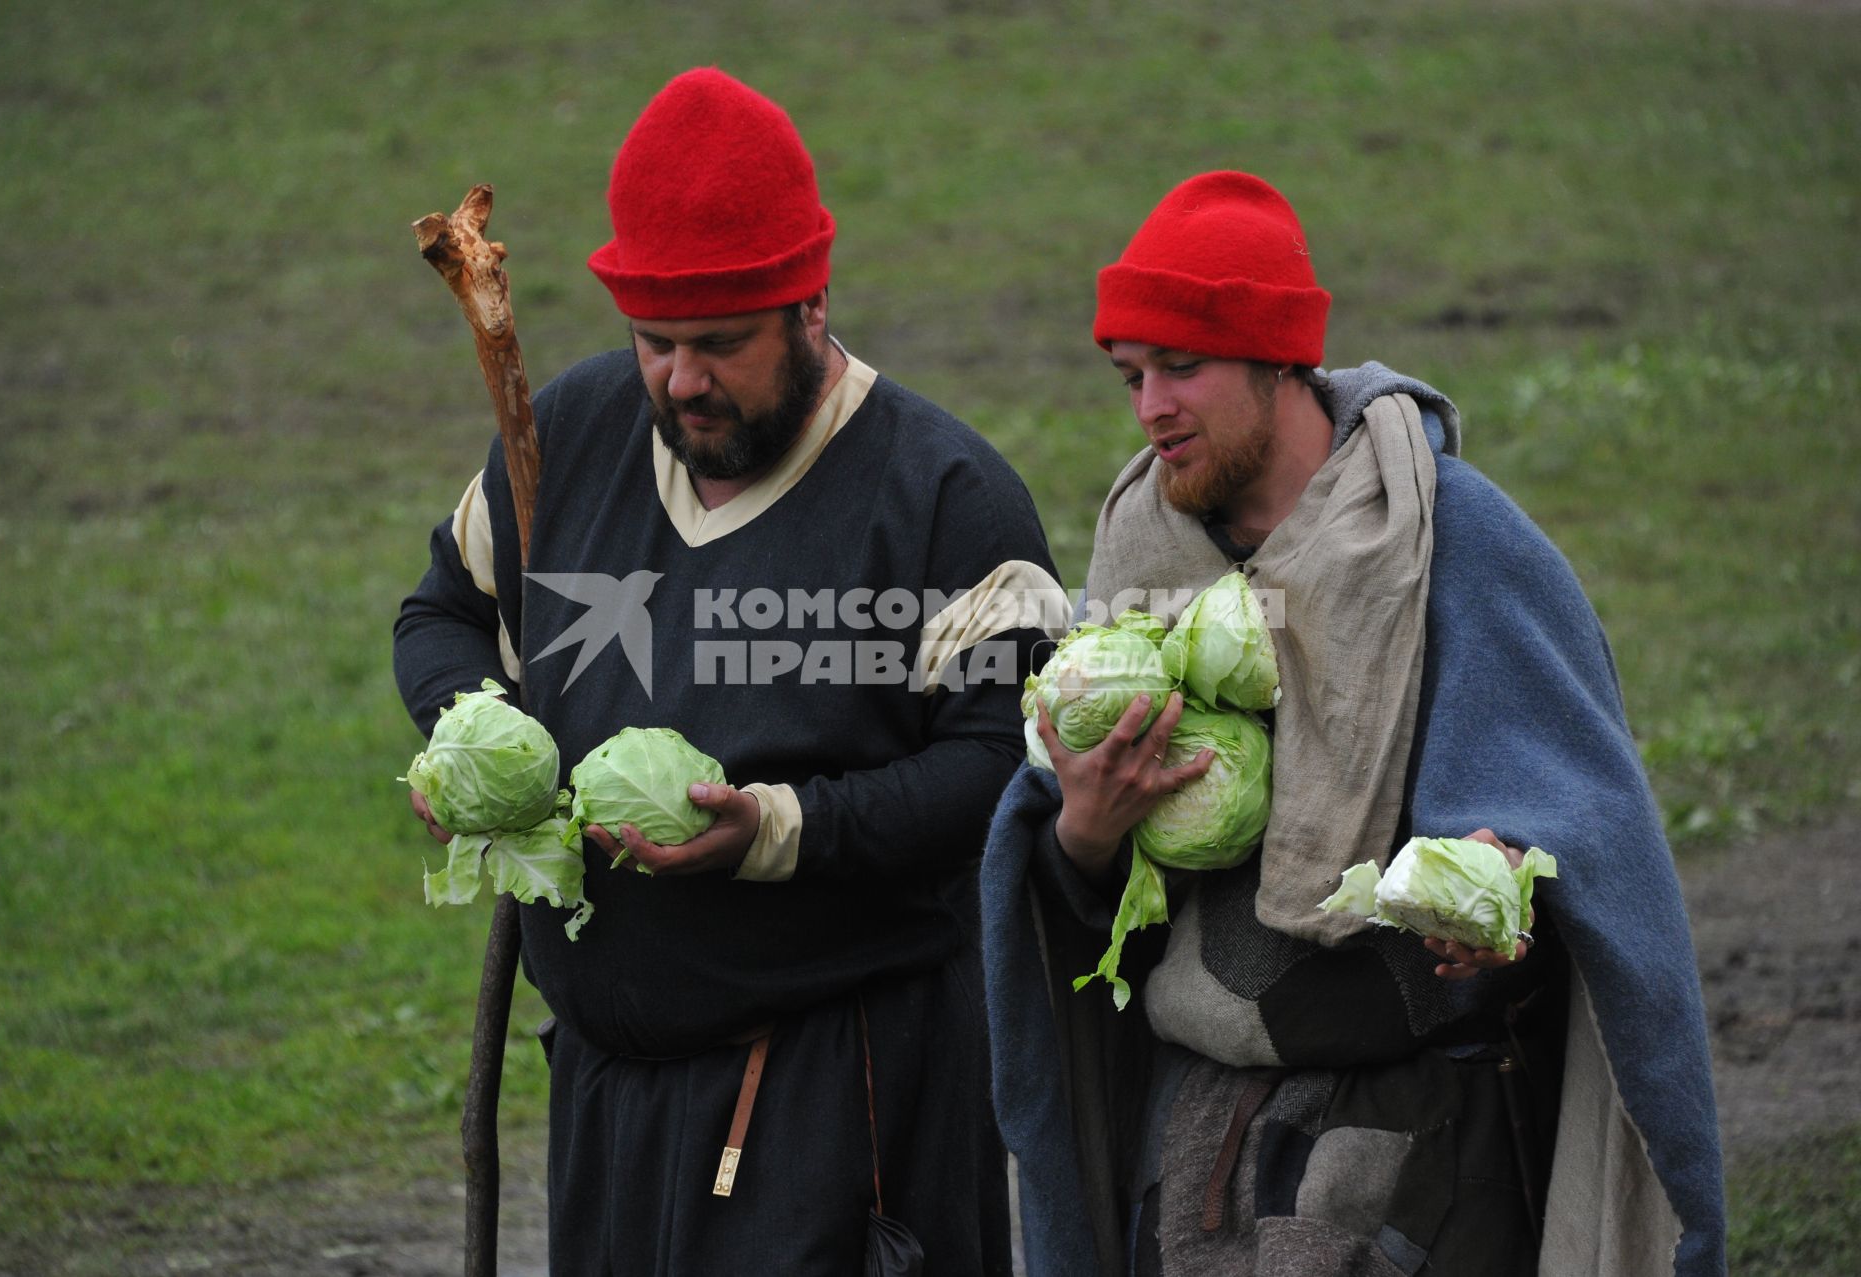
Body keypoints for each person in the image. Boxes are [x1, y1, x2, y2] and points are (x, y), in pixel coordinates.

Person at [980, 172, 1726, 1275]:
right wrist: (1085, 835)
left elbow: (1588, 839)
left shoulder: (1451, 540)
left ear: (1280, 356)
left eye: (1182, 367)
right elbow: (1083, 897)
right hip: (1189, 1130)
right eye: (1132, 376)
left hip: (1423, 1140)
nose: (1150, 409)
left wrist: (1496, 888)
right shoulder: (1146, 553)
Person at [394, 67, 1064, 1276]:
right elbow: (444, 607)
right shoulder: (576, 433)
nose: (683, 381)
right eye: (656, 342)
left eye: (721, 344)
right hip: (603, 1094)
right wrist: (474, 738)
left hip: (840, 1098)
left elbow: (1000, 767)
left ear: (810, 305)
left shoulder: (945, 498)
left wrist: (778, 827)